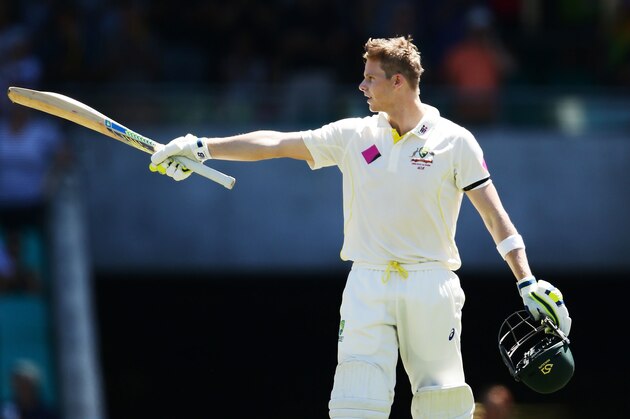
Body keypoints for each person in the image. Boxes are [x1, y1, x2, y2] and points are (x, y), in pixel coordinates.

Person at [149, 36, 572, 419]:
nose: (362, 86)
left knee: (442, 404)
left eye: (371, 78)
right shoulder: (353, 134)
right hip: (367, 282)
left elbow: (495, 216)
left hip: (431, 282)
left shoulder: (454, 140)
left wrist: (526, 280)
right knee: (356, 404)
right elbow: (277, 143)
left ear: (399, 83)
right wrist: (201, 148)